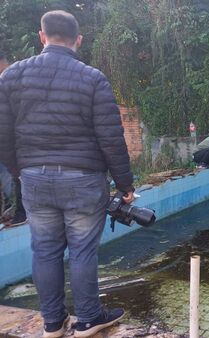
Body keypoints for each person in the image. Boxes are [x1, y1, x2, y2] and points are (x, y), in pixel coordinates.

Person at [0, 10, 135, 337]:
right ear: (78, 40)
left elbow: (3, 136)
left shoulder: (11, 77)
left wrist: (21, 172)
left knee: (44, 250)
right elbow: (111, 138)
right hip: (84, 180)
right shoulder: (92, 78)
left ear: (42, 36)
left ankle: (52, 323)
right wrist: (125, 184)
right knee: (82, 251)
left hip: (34, 179)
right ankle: (88, 319)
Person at [0, 49, 28, 226]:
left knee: (17, 177)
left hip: (16, 142)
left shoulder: (15, 79)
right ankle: (12, 211)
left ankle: (20, 212)